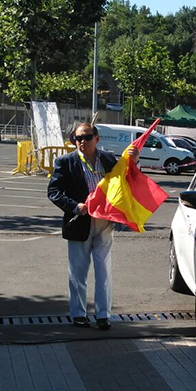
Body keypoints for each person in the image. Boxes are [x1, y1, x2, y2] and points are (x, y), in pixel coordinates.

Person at [47, 123, 121, 330]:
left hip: (105, 222)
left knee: (104, 270)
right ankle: (79, 314)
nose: (82, 142)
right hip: (80, 221)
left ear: (97, 138)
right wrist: (74, 206)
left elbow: (121, 183)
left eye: (86, 137)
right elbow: (54, 191)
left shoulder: (107, 158)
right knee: (78, 272)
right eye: (78, 138)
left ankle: (103, 315)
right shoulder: (65, 162)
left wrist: (133, 159)